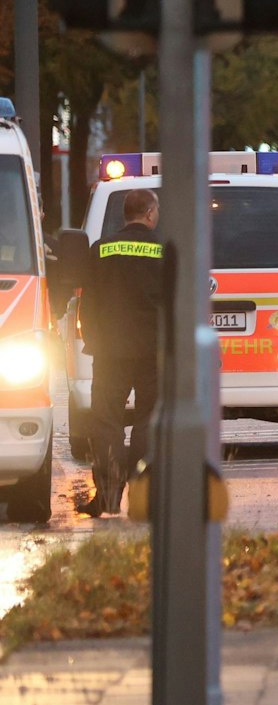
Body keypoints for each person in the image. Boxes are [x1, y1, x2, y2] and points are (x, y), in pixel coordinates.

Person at [79, 188, 164, 517]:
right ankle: (143, 500)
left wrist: (94, 341)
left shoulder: (101, 250)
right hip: (152, 353)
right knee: (148, 421)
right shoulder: (164, 250)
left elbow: (88, 304)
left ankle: (108, 498)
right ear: (149, 214)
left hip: (110, 351)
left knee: (106, 423)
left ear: (126, 214)